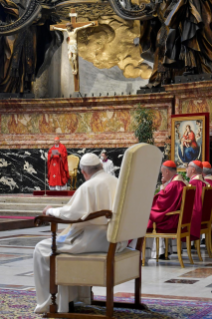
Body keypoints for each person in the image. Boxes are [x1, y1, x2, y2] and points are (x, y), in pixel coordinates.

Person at [34, 153, 127, 314]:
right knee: (59, 247)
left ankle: (51, 303)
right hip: (117, 240)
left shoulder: (89, 186)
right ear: (100, 166)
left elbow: (72, 213)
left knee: (42, 249)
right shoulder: (116, 181)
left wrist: (51, 211)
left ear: (84, 173)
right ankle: (74, 297)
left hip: (96, 240)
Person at [147, 160, 187, 258]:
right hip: (177, 218)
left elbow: (162, 203)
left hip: (171, 220)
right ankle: (163, 250)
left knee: (146, 219)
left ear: (167, 171)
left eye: (162, 173)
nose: (162, 175)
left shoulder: (174, 185)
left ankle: (148, 254)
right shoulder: (181, 182)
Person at [186, 160, 208, 240]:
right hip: (204, 218)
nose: (186, 169)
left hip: (193, 217)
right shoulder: (204, 183)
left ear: (193, 170)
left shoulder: (193, 184)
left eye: (187, 167)